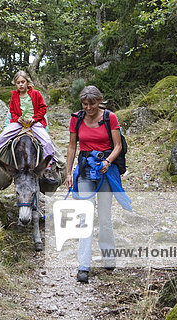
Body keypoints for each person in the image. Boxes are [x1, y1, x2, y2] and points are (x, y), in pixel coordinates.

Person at [65, 85, 122, 283]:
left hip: (106, 170)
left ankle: (109, 257)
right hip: (85, 170)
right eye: (85, 104)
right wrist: (68, 172)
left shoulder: (109, 117)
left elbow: (118, 146)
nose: (88, 108)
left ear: (99, 101)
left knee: (105, 217)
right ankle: (83, 266)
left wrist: (108, 162)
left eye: (92, 104)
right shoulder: (76, 118)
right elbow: (72, 146)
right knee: (85, 218)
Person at [0, 70, 58, 185]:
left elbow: (43, 108)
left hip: (34, 123)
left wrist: (34, 118)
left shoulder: (36, 94)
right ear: (15, 83)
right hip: (19, 123)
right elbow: (13, 111)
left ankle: (49, 167)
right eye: (18, 82)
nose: (21, 84)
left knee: (47, 141)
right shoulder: (14, 95)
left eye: (23, 82)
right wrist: (17, 118)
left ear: (27, 82)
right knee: (2, 137)